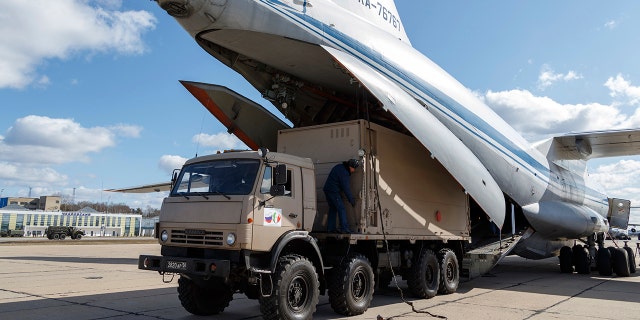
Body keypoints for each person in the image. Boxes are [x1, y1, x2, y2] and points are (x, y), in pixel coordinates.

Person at [323, 159, 359, 233]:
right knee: (341, 208)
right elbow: (346, 188)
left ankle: (331, 228)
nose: (354, 170)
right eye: (354, 168)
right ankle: (344, 228)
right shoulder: (344, 172)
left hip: (327, 190)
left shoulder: (340, 167)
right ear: (350, 166)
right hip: (333, 191)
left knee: (333, 209)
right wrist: (351, 200)